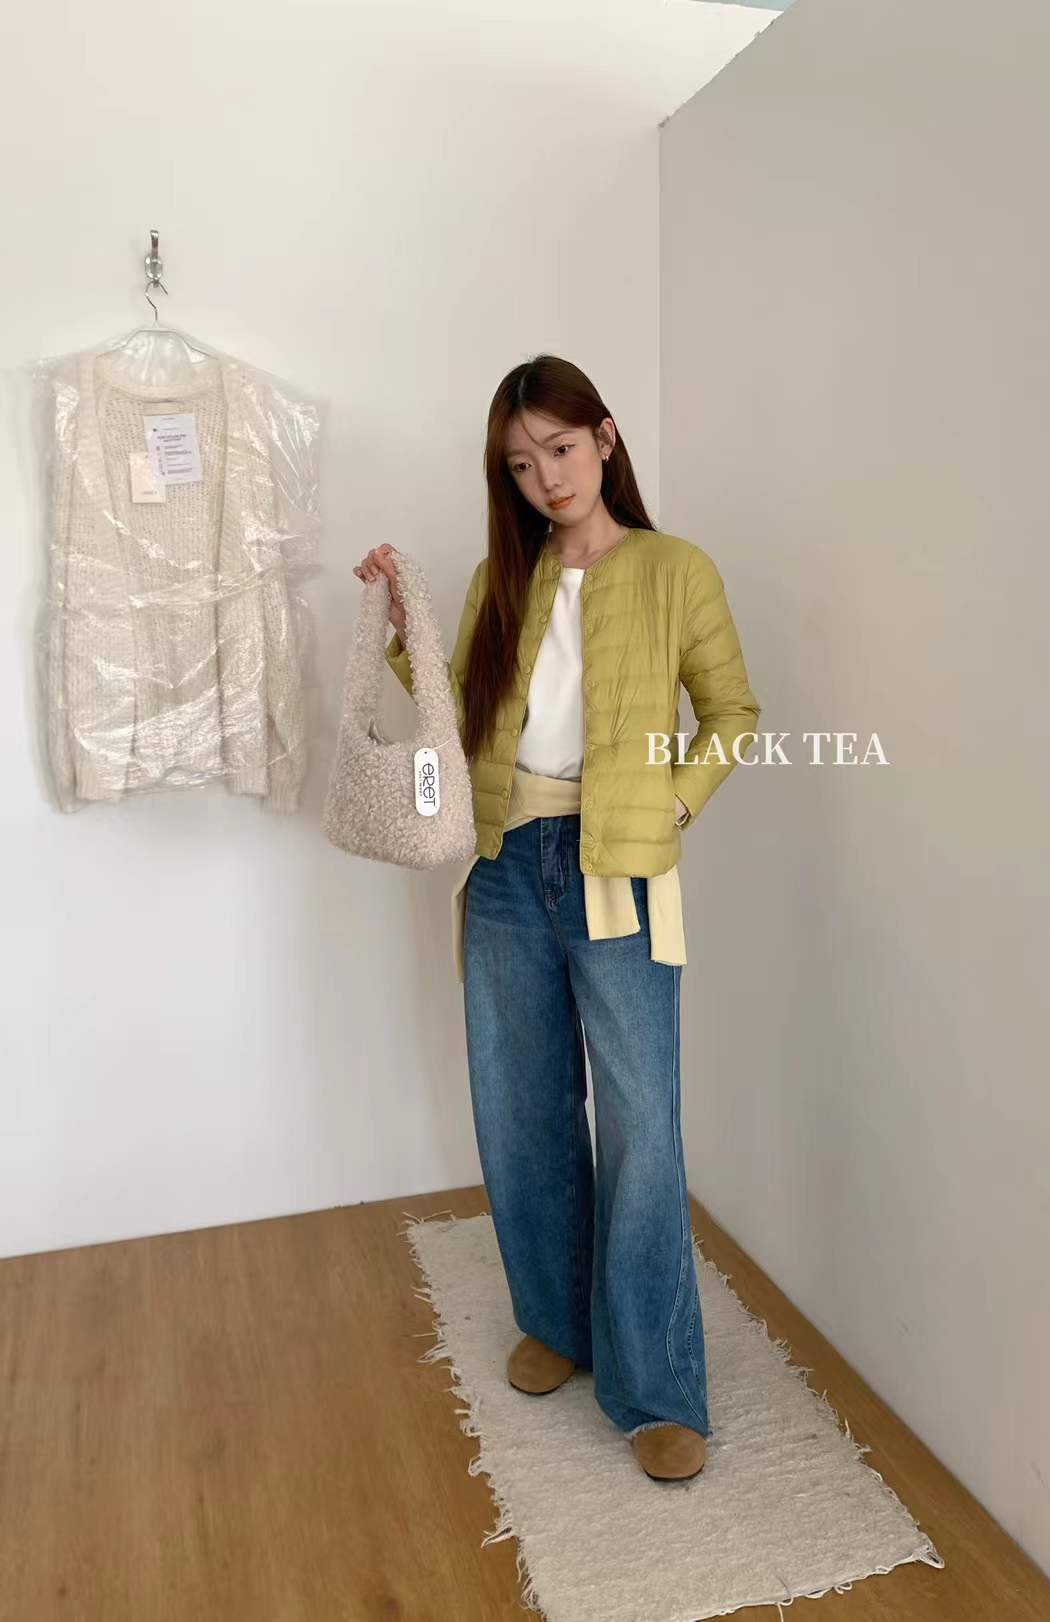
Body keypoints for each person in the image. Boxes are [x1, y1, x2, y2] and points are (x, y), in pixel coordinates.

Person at [355, 354, 760, 1482]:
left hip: (617, 871)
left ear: (606, 438)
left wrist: (672, 802)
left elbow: (732, 712)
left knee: (641, 1128)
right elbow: (459, 705)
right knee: (521, 1107)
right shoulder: (504, 576)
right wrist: (400, 624)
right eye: (521, 465)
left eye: (561, 450)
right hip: (505, 866)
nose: (546, 478)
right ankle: (557, 1321)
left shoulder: (676, 569)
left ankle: (657, 1386)